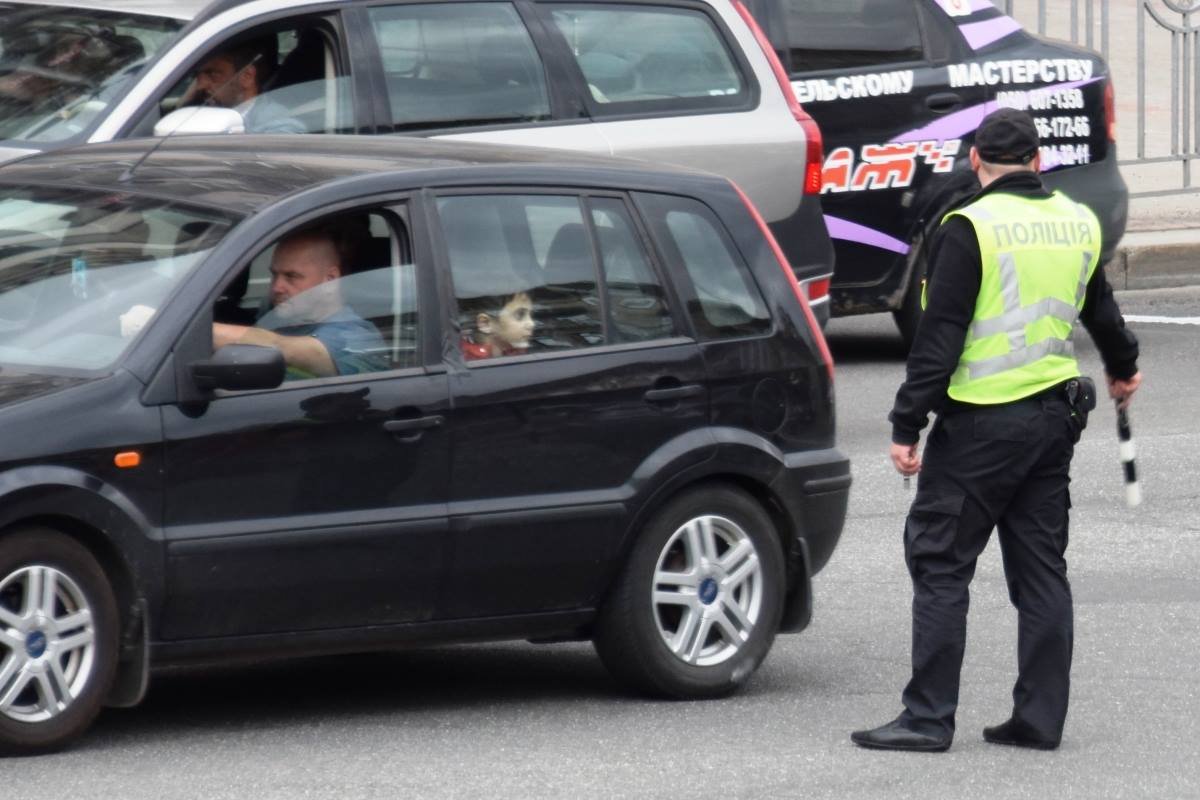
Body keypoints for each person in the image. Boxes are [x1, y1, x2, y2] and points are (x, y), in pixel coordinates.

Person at [851, 108, 1142, 753]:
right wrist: (1123, 368)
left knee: (940, 564)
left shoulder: (969, 226)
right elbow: (1101, 311)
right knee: (1041, 572)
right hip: (1052, 421)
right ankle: (1038, 719)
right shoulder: (1077, 220)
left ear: (976, 161)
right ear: (1038, 161)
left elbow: (940, 337)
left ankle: (928, 718)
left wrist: (906, 423)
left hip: (980, 426)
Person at [213, 228, 388, 378]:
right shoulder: (278, 315)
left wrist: (204, 332)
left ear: (330, 280)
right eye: (274, 274)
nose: (277, 287)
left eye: (292, 276)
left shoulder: (356, 336)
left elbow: (285, 348)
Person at [180, 40, 305, 134]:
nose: (200, 85)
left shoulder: (275, 125)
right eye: (196, 76)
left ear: (247, 76)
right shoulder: (208, 112)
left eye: (213, 74)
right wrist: (183, 104)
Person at [460, 290, 536, 360]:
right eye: (520, 315)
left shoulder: (515, 349)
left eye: (531, 315)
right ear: (485, 323)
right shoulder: (470, 359)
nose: (532, 324)